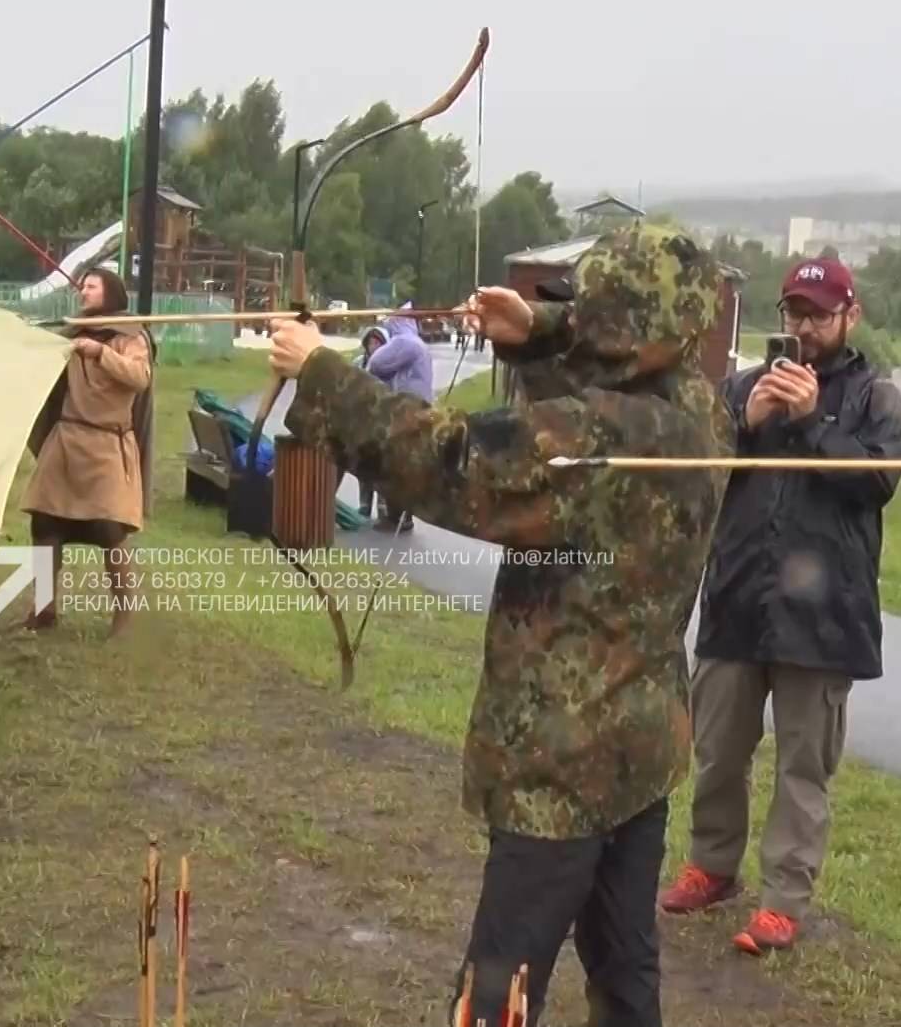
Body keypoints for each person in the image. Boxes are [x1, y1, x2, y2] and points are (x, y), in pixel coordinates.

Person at [266, 225, 733, 1027]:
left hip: (561, 763)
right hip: (641, 749)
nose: (585, 319)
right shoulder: (700, 406)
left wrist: (322, 375)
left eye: (594, 308)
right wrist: (534, 332)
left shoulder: (604, 439)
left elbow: (455, 462)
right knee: (626, 972)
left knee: (501, 985)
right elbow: (619, 364)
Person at [660, 255, 901, 955]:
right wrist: (745, 417)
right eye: (793, 312)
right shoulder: (742, 388)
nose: (803, 327)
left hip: (824, 620)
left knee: (803, 770)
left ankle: (783, 901)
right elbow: (690, 467)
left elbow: (878, 481)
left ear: (849, 316)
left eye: (818, 314)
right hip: (738, 602)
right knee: (717, 753)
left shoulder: (876, 398)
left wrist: (808, 422)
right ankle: (712, 867)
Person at [20, 266, 155, 636]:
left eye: (91, 287)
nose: (83, 292)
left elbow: (140, 378)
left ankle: (123, 618)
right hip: (67, 441)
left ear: (109, 293)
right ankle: (44, 608)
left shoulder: (131, 336)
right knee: (45, 526)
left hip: (106, 446)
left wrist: (100, 353)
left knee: (110, 532)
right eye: (82, 287)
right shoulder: (73, 332)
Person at [361, 304, 435, 532]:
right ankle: (402, 516)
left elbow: (377, 363)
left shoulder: (405, 342)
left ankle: (394, 517)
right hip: (415, 410)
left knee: (393, 464)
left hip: (407, 412)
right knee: (405, 465)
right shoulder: (416, 343)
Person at [355, 325, 389, 520]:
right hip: (362, 421)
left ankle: (383, 506)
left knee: (381, 466)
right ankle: (364, 505)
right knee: (363, 465)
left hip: (382, 422)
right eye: (371, 342)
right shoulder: (359, 363)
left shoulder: (388, 365)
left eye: (378, 343)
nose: (373, 346)